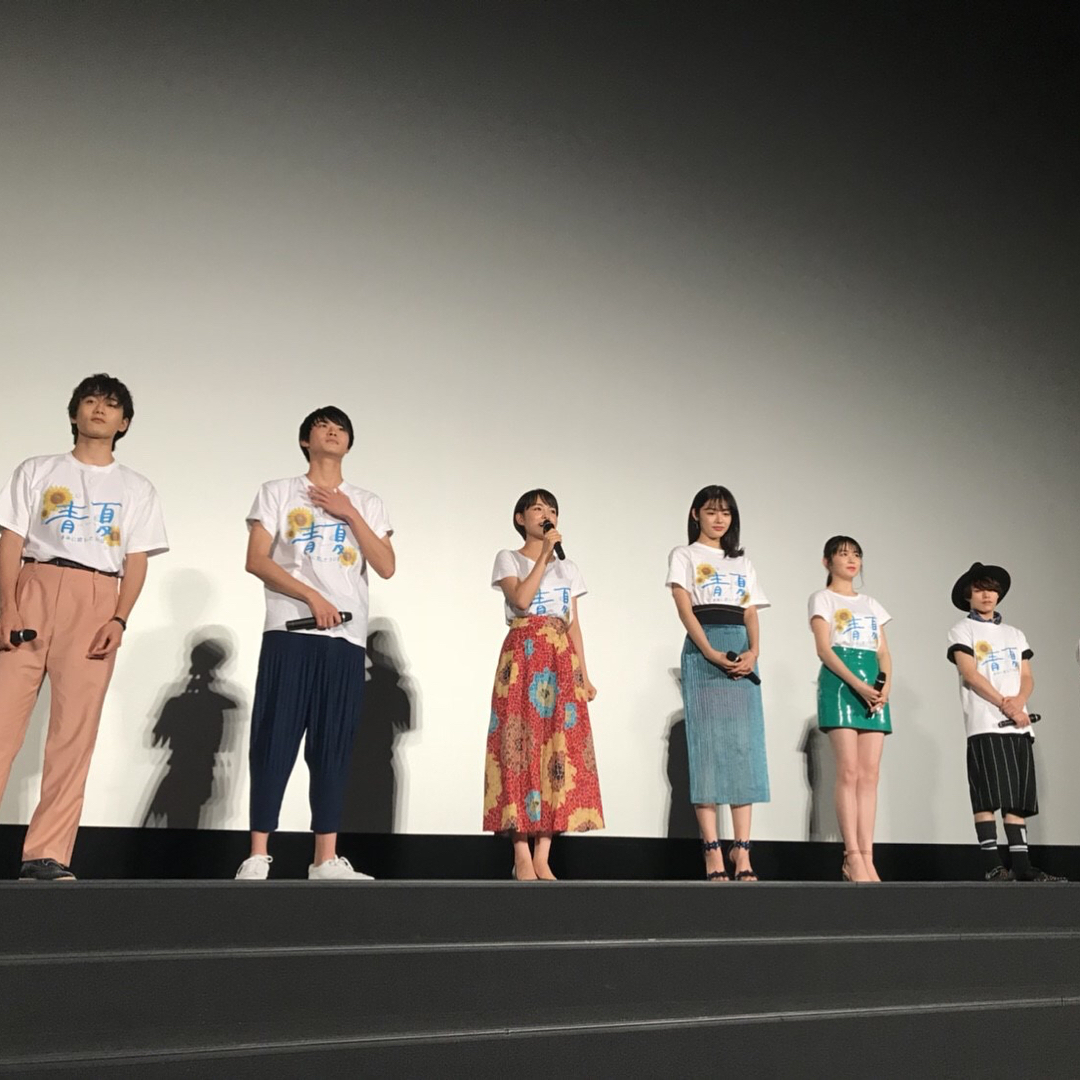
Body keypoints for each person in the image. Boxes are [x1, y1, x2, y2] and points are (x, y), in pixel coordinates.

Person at [0, 374, 168, 880]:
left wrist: (119, 617)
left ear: (125, 423)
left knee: (73, 735)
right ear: (74, 413)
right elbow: (11, 539)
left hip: (97, 596)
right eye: (90, 401)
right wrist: (7, 606)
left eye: (111, 405)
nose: (99, 409)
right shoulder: (37, 469)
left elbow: (136, 560)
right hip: (34, 583)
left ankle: (46, 853)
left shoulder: (137, 487)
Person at [235, 407, 394, 881]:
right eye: (323, 426)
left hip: (346, 638)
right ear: (306, 440)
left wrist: (349, 513)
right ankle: (258, 853)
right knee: (274, 738)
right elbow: (256, 560)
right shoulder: (278, 491)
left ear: (349, 443)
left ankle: (325, 857)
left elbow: (386, 565)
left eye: (340, 428)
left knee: (333, 744)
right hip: (290, 631)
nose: (332, 431)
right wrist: (312, 596)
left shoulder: (367, 502)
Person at [483, 489, 604, 880]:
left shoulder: (570, 569)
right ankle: (520, 851)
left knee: (557, 749)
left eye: (551, 509)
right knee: (518, 747)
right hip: (523, 654)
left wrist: (584, 673)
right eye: (537, 508)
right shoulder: (509, 558)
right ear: (521, 518)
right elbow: (521, 599)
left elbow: (573, 624)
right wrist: (544, 556)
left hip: (559, 658)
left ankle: (543, 853)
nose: (546, 514)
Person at [667, 485, 769, 882]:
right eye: (711, 511)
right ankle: (712, 850)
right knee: (707, 750)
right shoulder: (685, 555)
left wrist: (754, 652)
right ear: (696, 514)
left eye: (726, 512)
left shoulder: (741, 561)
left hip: (740, 651)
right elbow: (684, 609)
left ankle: (742, 850)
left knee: (743, 748)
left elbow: (751, 612)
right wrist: (709, 651)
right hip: (703, 649)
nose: (719, 519)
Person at [947, 561, 1064, 882]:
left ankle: (1022, 866)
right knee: (987, 794)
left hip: (1019, 724)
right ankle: (993, 866)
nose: (987, 595)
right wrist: (1004, 704)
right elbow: (969, 674)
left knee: (1017, 797)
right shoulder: (962, 630)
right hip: (986, 723)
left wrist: (1019, 702)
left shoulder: (1015, 634)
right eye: (980, 589)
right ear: (968, 595)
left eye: (992, 589)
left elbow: (1027, 676)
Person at [808, 536, 892, 883]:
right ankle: (852, 856)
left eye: (856, 554)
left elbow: (883, 651)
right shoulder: (822, 598)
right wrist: (857, 684)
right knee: (849, 772)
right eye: (843, 554)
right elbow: (824, 649)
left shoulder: (871, 603)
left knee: (870, 775)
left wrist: (884, 687)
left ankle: (868, 857)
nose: (851, 560)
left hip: (872, 684)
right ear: (827, 561)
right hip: (841, 684)